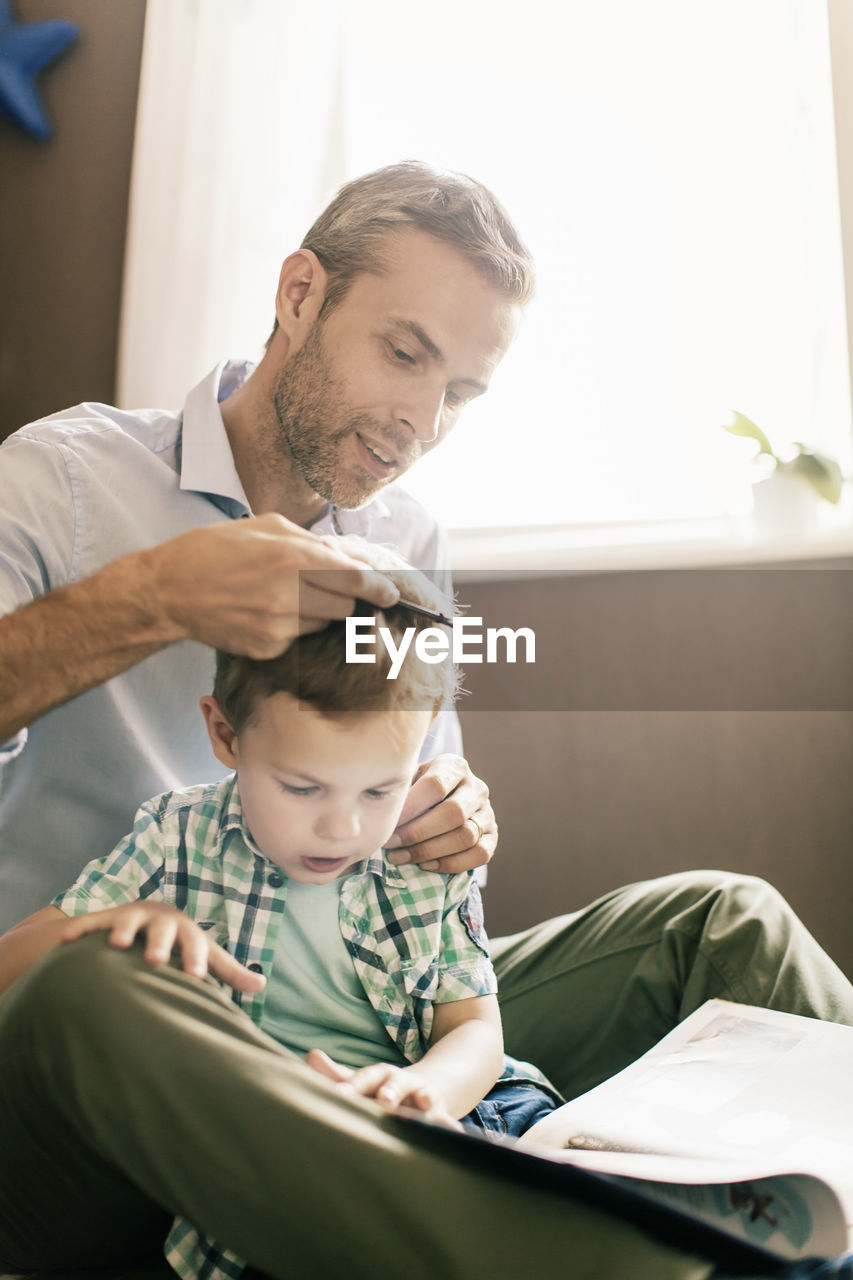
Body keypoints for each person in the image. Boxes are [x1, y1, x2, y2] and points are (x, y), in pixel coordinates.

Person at [2, 160, 853, 1278]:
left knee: (717, 921)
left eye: (459, 392)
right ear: (299, 293)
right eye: (403, 353)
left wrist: (444, 811)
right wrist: (156, 595)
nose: (419, 418)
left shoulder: (406, 537)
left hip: (346, 1007)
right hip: (92, 1041)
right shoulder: (63, 478)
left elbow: (411, 845)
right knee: (98, 978)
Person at [0, 543, 561, 1278]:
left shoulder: (419, 858)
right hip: (261, 1151)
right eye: (303, 788)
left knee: (524, 1157)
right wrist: (91, 933)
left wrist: (426, 1088)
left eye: (378, 790)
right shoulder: (178, 836)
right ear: (225, 736)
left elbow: (474, 1031)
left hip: (415, 1113)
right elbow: (14, 964)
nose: (343, 828)